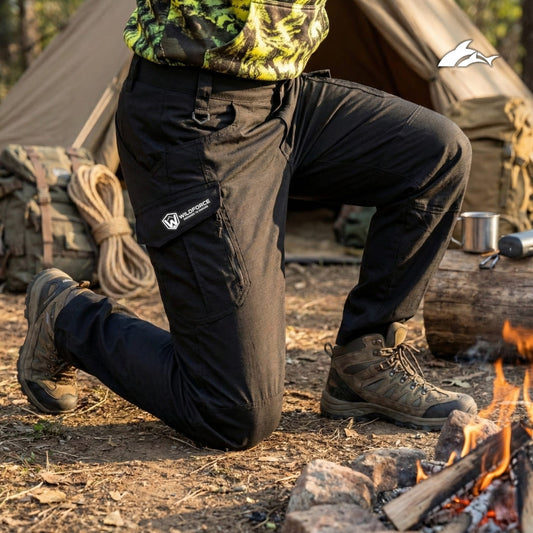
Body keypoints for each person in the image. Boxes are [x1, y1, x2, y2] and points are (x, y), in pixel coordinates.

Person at [17, 0, 477, 451]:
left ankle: (364, 361)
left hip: (284, 99)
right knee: (233, 411)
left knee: (436, 154)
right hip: (192, 114)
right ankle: (70, 318)